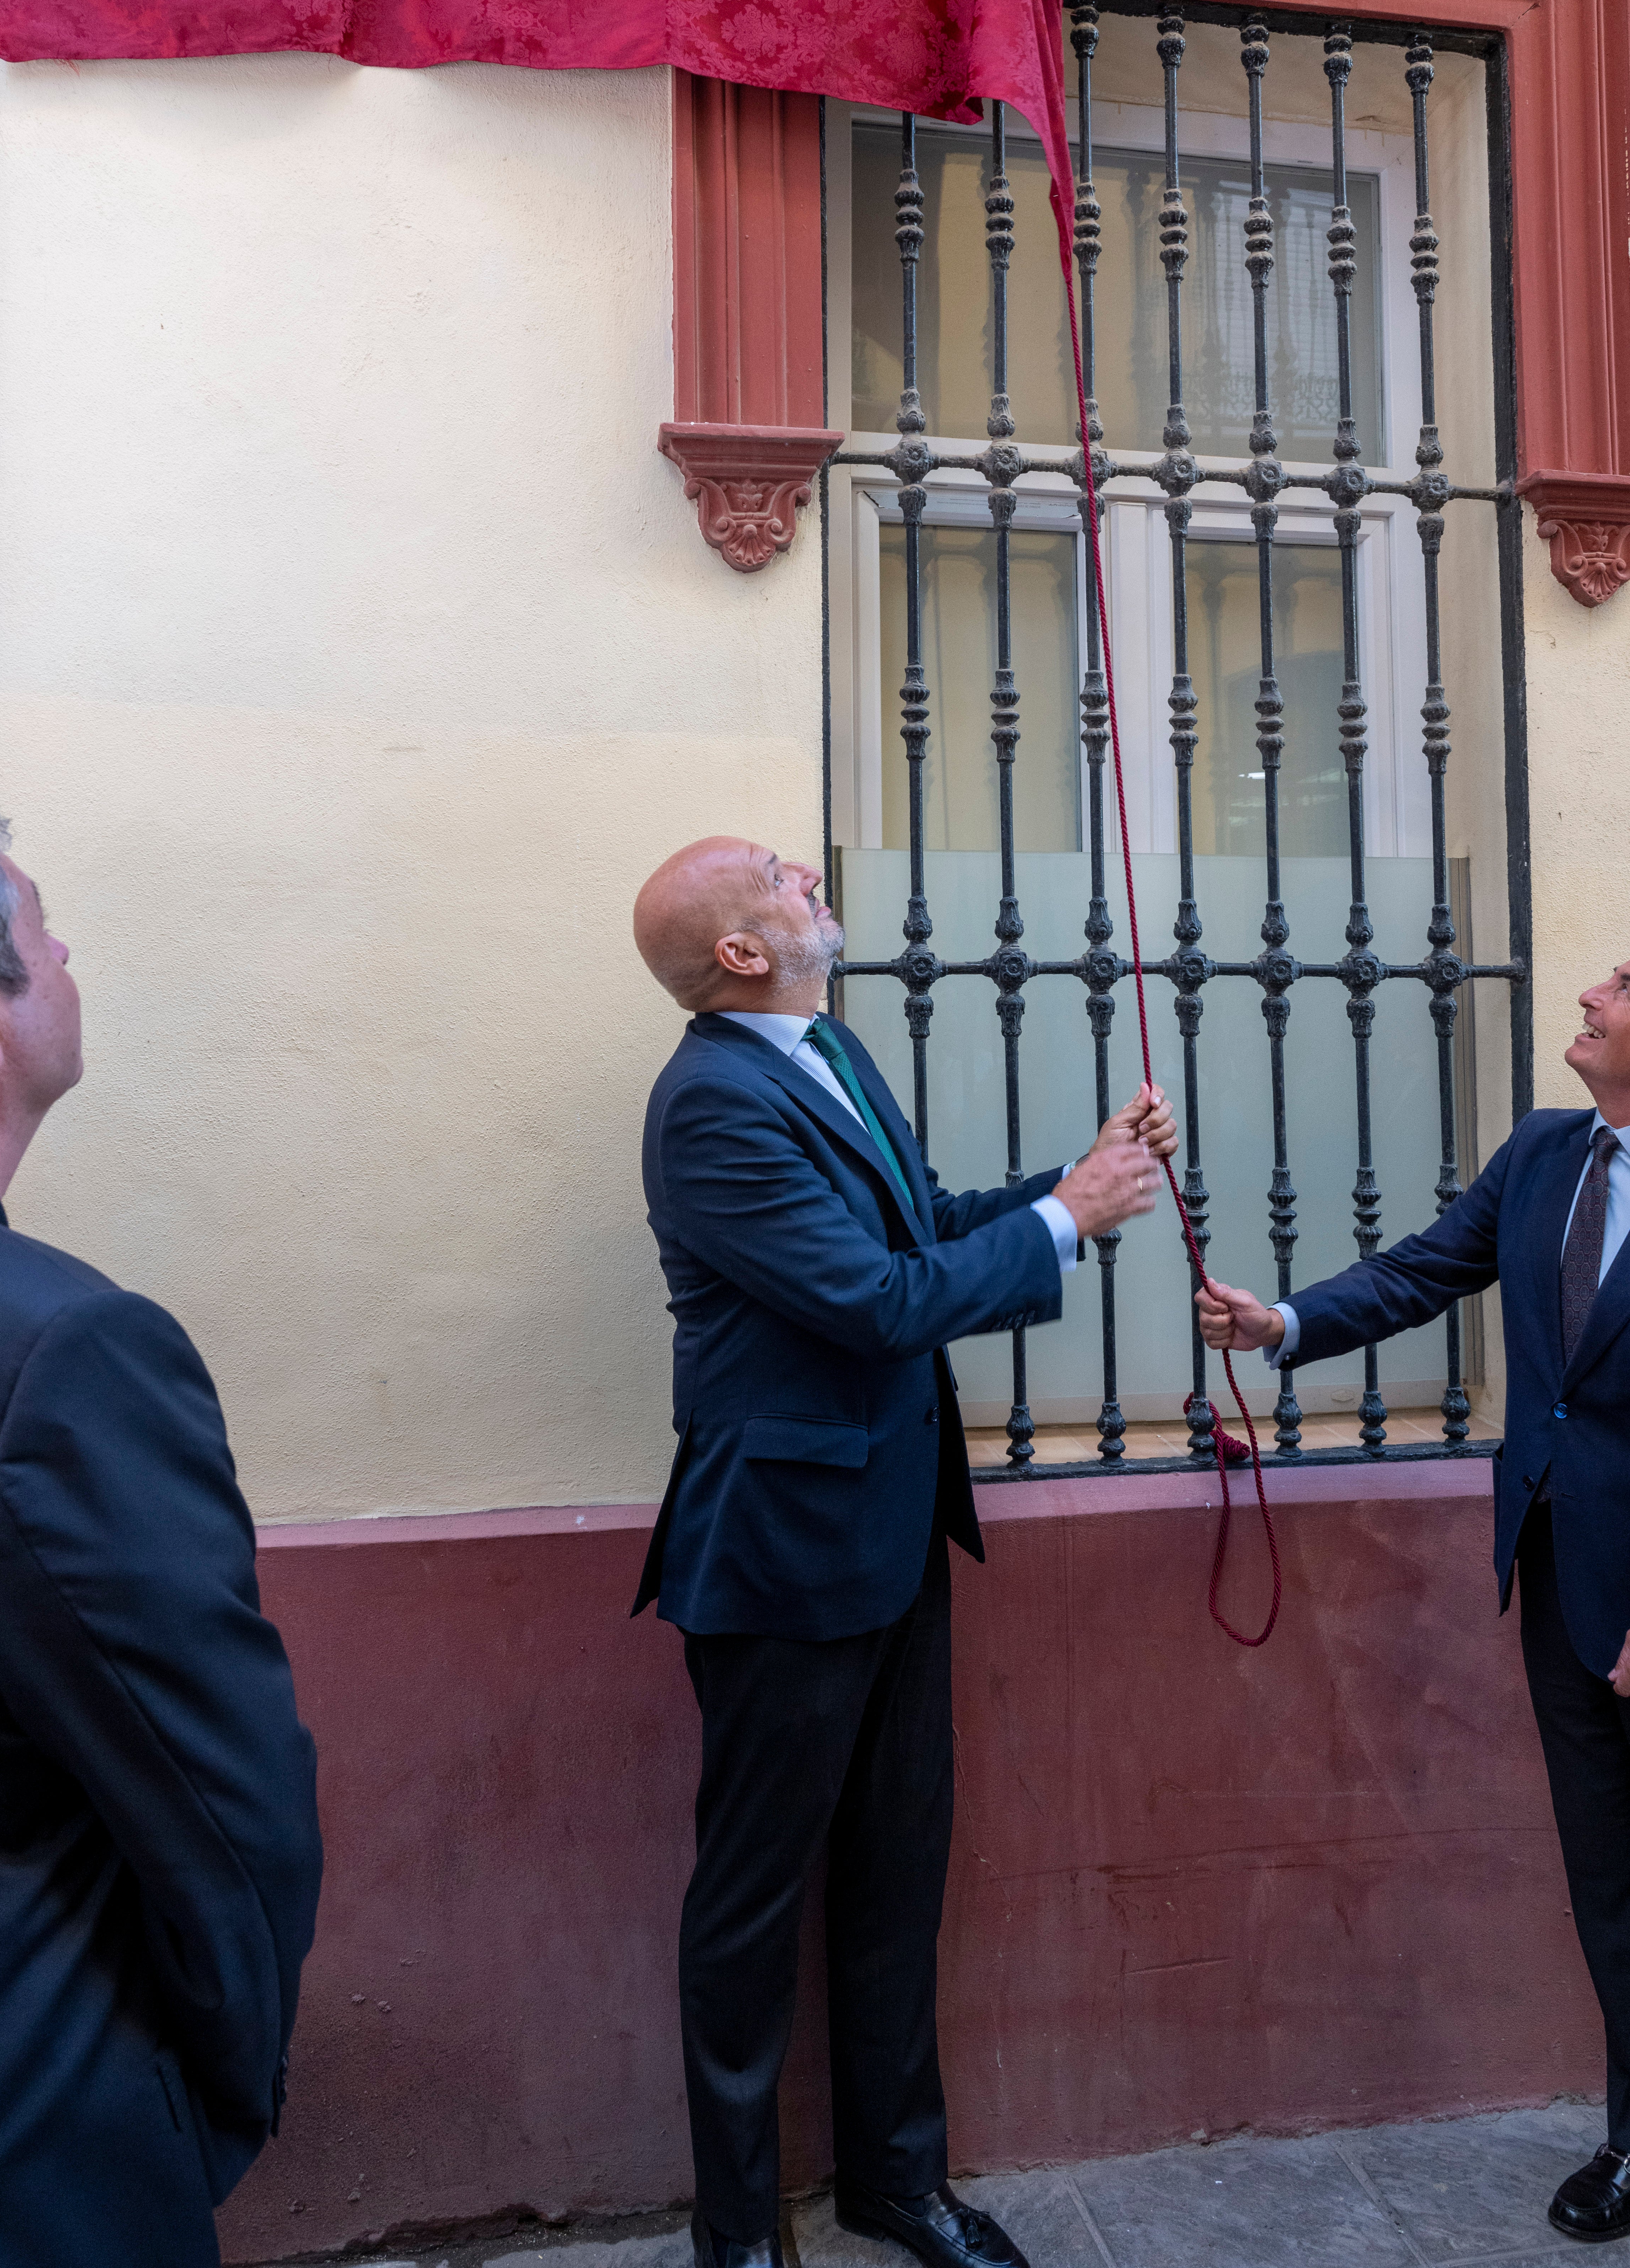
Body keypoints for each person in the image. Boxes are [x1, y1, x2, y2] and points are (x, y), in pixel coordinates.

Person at [1197, 942, 1630, 2268]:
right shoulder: (1543, 1153)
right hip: (1557, 1586)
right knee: (1616, 1894)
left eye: (1628, 992)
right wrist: (1280, 1325)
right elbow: (1424, 1270)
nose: (1592, 996)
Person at [632, 836, 1170, 2268]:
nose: (803, 870)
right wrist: (1070, 1220)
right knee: (750, 1903)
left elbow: (920, 1232)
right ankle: (740, 2233)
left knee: (895, 1868)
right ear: (741, 954)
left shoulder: (833, 1054)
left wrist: (1073, 1185)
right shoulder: (709, 1107)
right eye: (773, 876)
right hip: (779, 1557)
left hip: (890, 1532)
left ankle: (895, 2182)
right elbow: (874, 1303)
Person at [0, 797, 322, 2265]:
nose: (73, 955)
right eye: (50, 934)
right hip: (21, 2153)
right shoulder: (66, 1354)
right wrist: (208, 2101)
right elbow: (231, 1814)